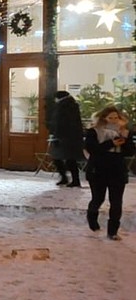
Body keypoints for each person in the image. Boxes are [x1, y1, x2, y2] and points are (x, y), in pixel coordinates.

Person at [83, 105, 134, 240]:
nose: (113, 120)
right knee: (98, 198)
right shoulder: (93, 132)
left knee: (116, 202)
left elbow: (130, 152)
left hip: (117, 170)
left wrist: (124, 142)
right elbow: (93, 150)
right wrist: (111, 143)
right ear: (103, 118)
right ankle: (92, 219)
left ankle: (112, 231)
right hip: (98, 170)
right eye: (110, 117)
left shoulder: (125, 132)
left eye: (116, 118)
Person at [49, 90, 83, 187]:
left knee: (65, 158)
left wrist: (55, 134)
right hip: (70, 137)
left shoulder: (64, 106)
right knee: (67, 158)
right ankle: (69, 179)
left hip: (64, 137)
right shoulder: (71, 105)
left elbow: (60, 122)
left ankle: (69, 179)